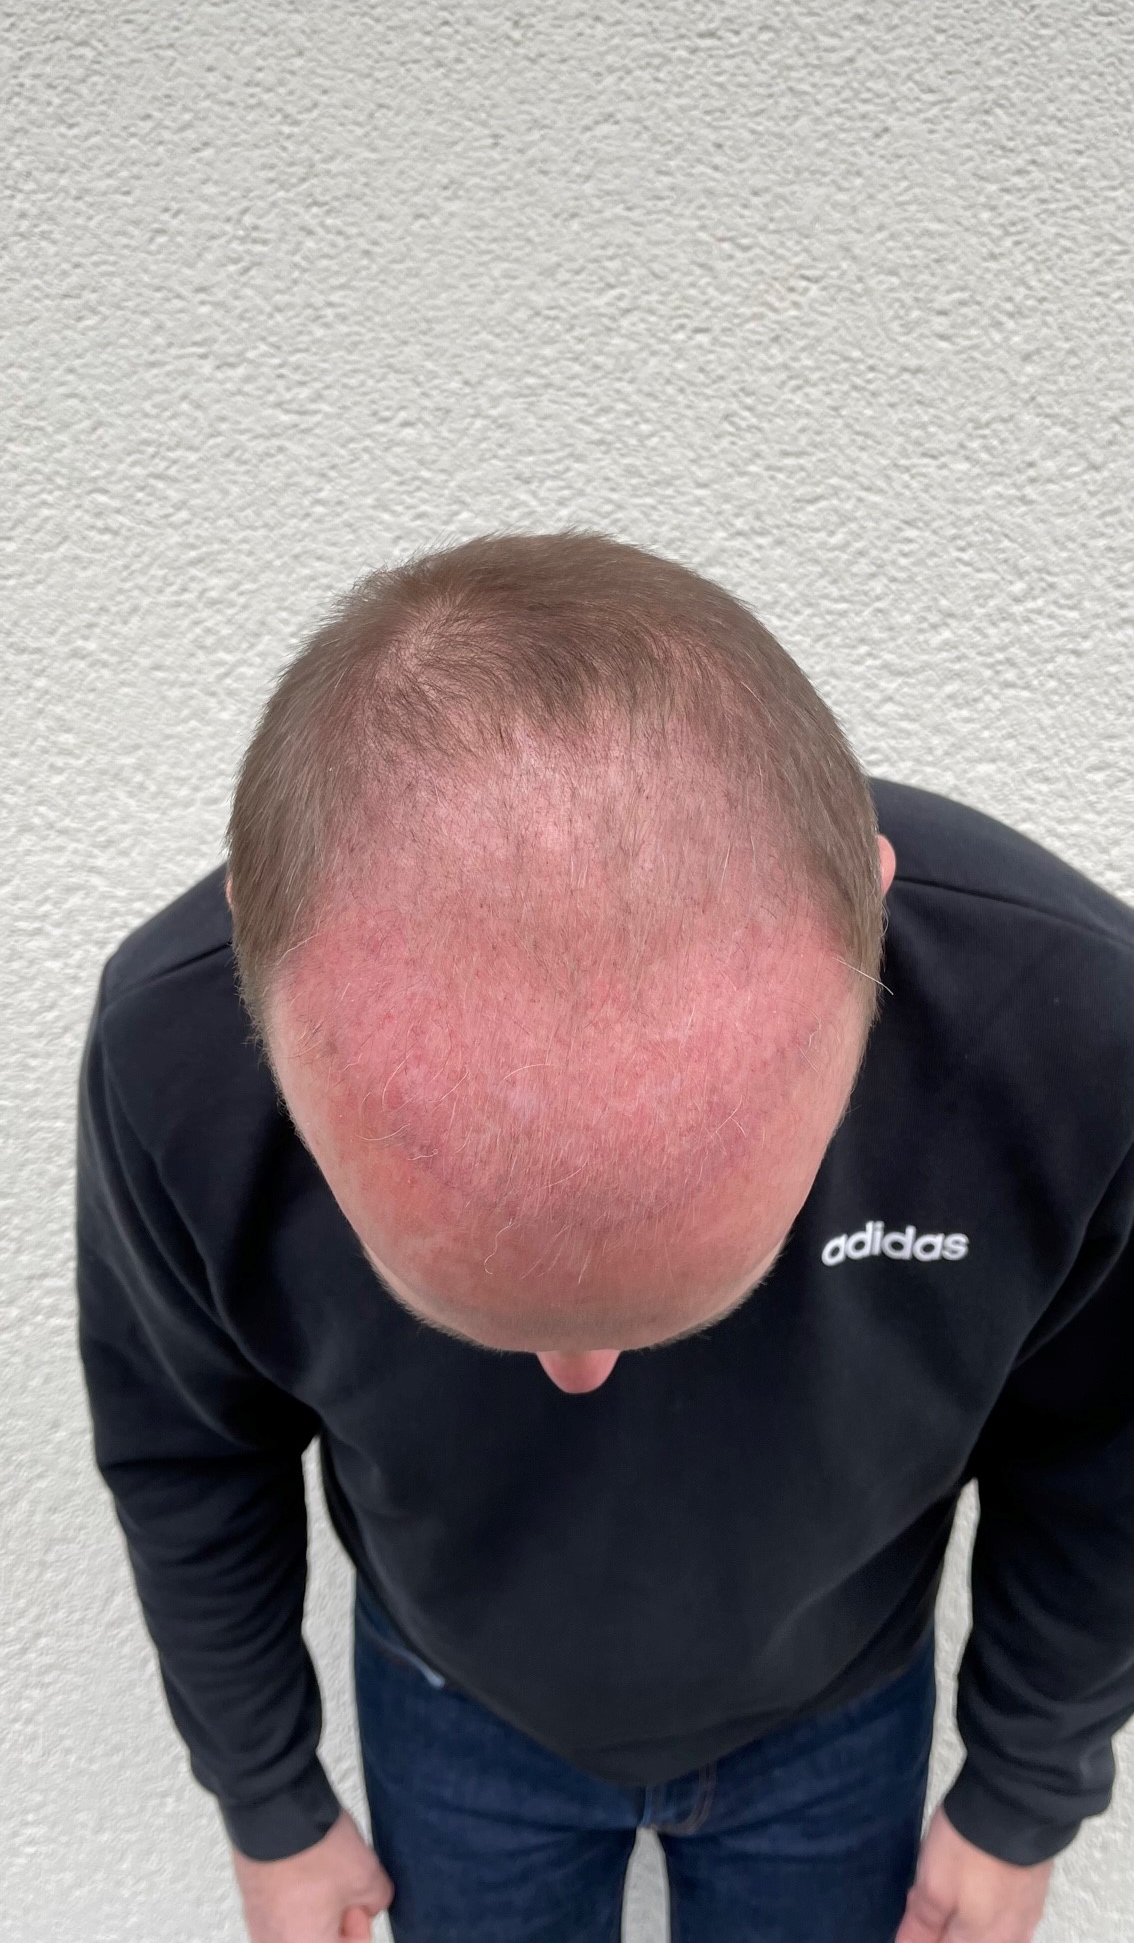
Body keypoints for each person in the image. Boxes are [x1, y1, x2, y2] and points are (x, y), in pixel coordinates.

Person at [77, 530, 1134, 1943]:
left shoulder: (1071, 1041)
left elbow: (1106, 1461)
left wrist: (1020, 1791)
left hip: (841, 1707)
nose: (582, 1383)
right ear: (254, 979)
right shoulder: (169, 1057)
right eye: (477, 1312)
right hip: (453, 1704)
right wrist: (268, 1802)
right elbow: (191, 1456)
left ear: (868, 919)